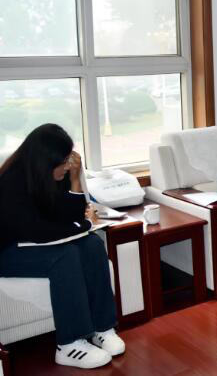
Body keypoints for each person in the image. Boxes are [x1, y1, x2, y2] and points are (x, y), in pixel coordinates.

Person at [0, 124, 125, 369]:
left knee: (92, 245)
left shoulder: (52, 176)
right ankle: (69, 344)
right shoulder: (11, 182)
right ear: (45, 161)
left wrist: (75, 180)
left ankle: (102, 328)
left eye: (69, 159)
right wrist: (85, 224)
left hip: (34, 241)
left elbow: (67, 218)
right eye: (64, 162)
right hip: (7, 251)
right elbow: (40, 232)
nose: (68, 165)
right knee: (65, 255)